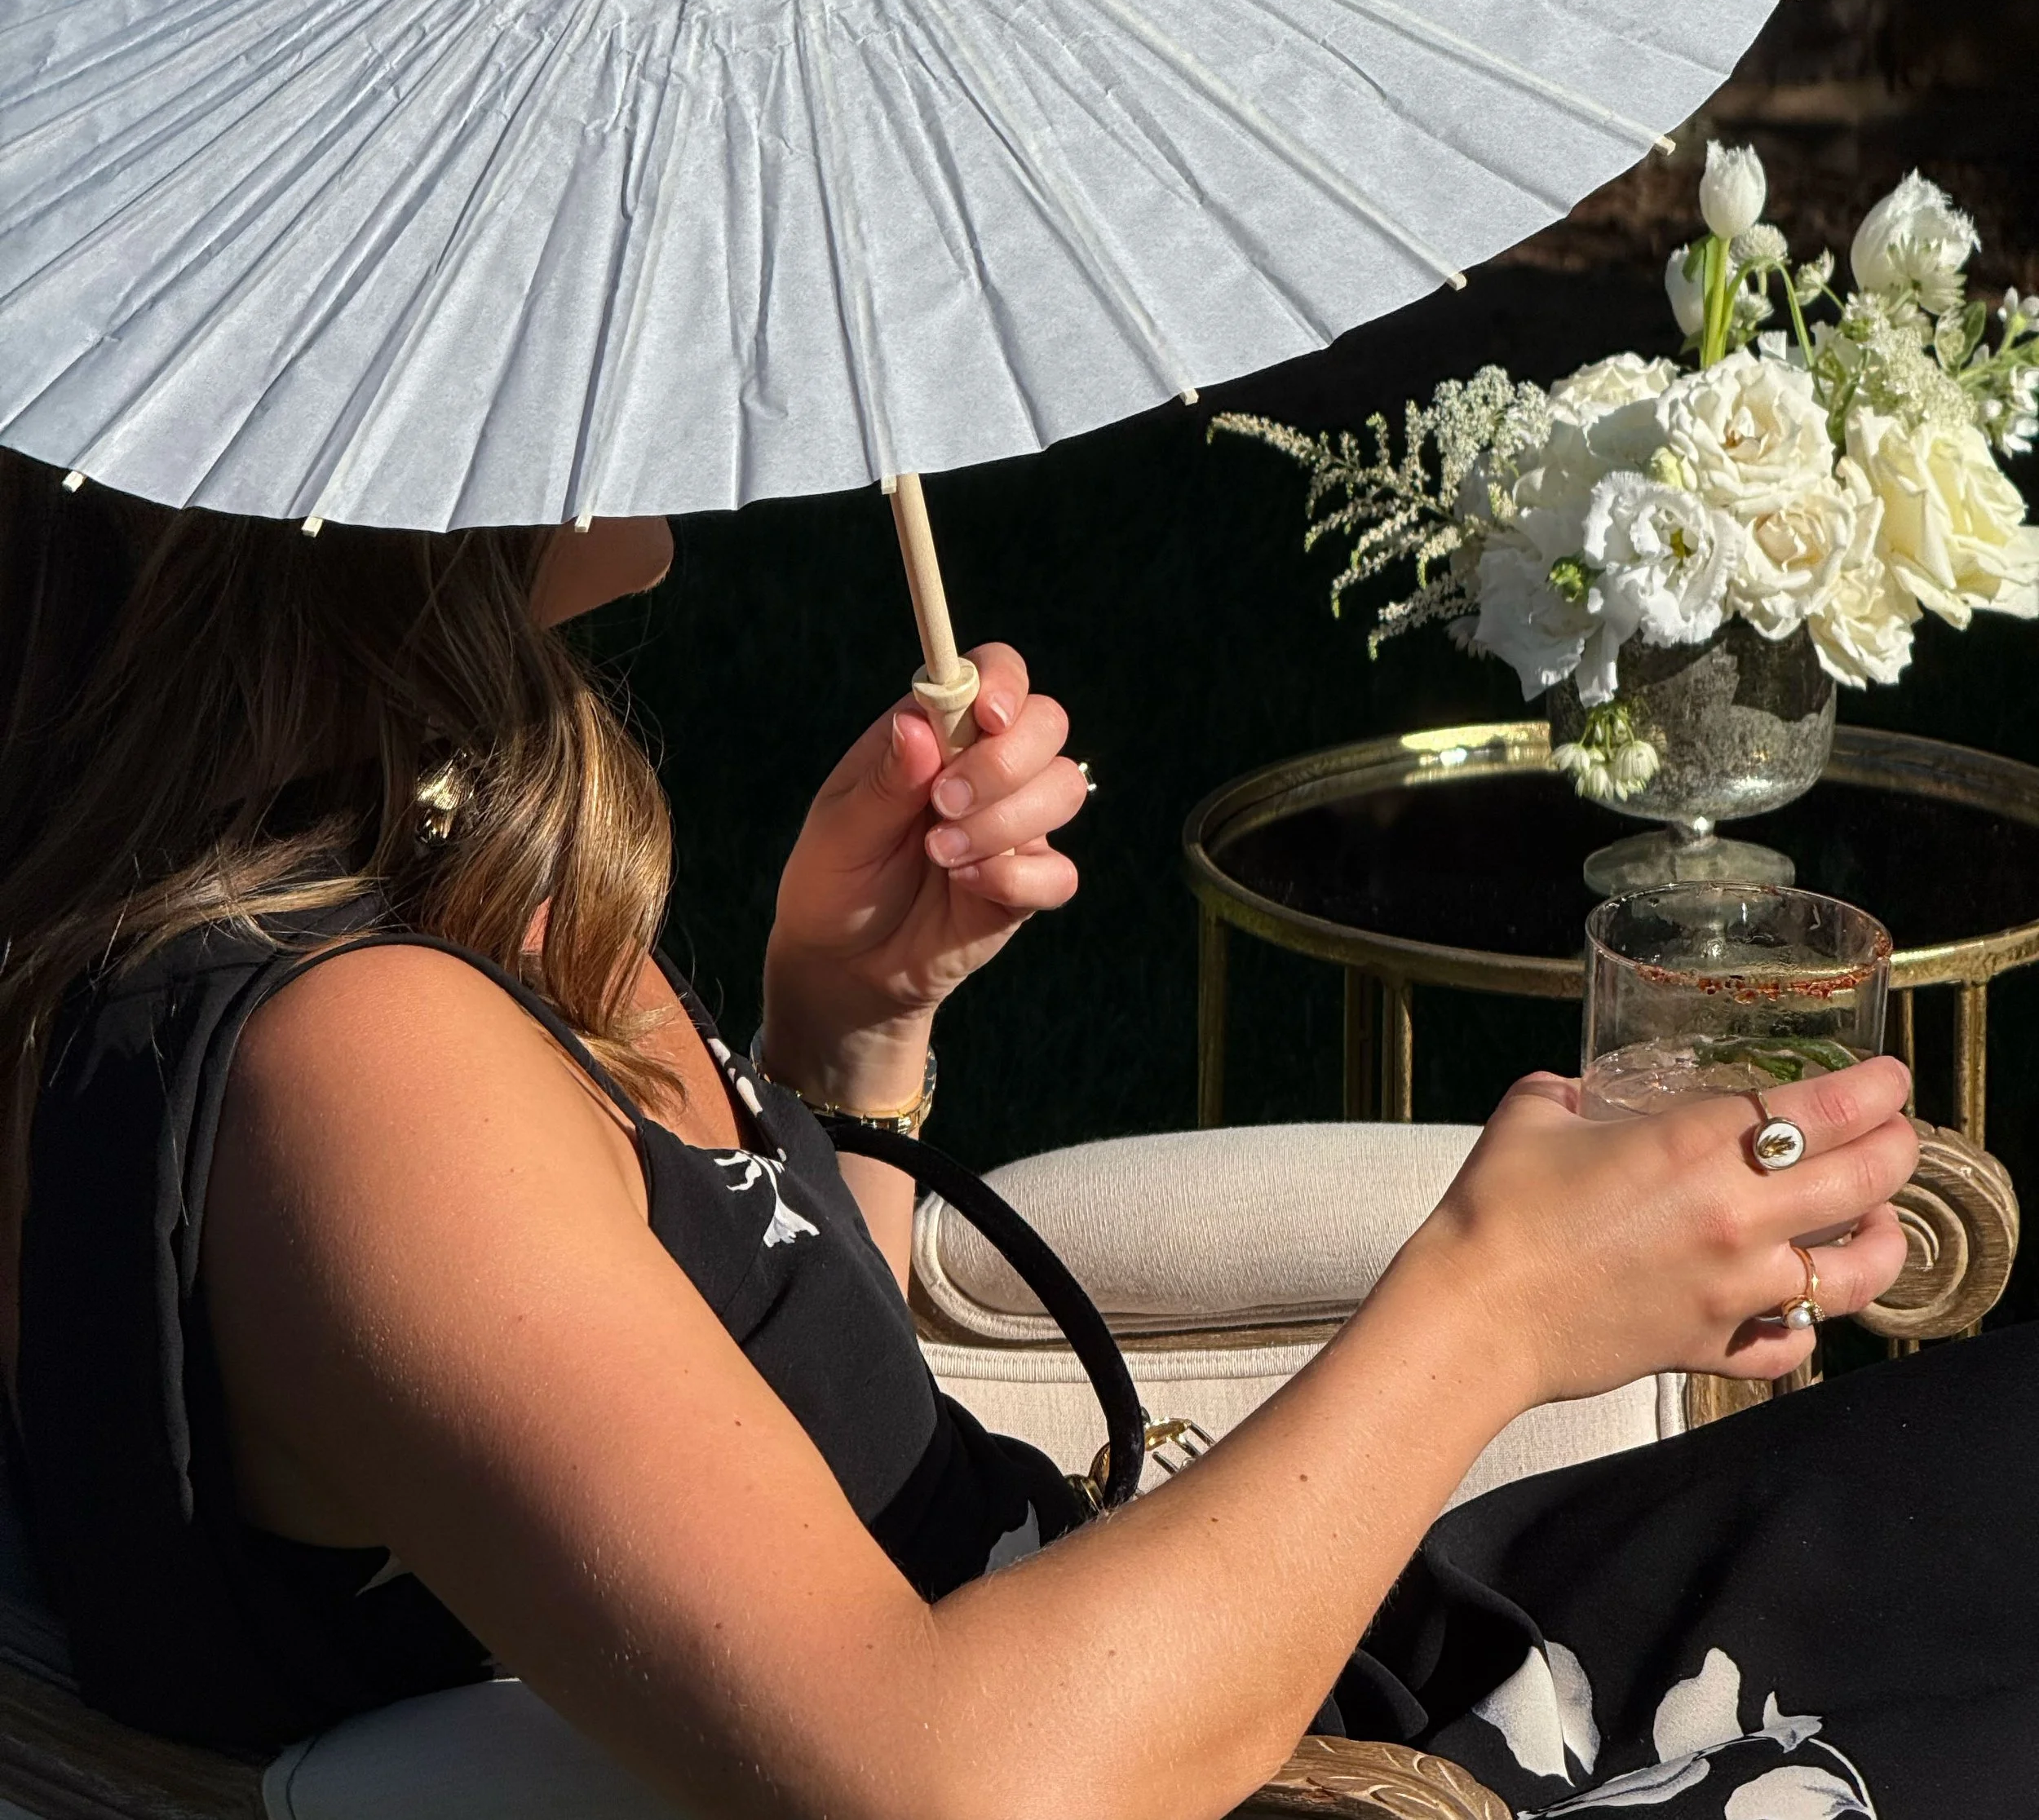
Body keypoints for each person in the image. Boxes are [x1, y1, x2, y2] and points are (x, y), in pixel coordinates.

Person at [0, 450, 2028, 1820]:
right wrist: (1485, 1315)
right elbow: (932, 1779)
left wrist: (849, 1041)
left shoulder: (409, 859)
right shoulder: (346, 1067)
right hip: (1238, 1763)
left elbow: (746, 1448)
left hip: (1204, 1659)